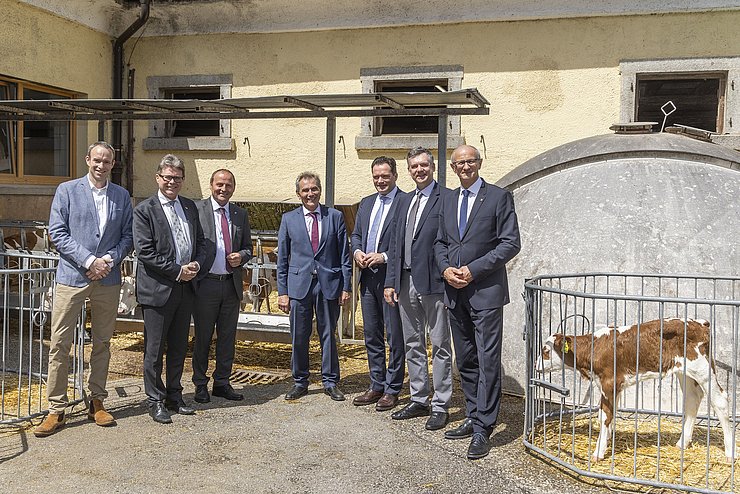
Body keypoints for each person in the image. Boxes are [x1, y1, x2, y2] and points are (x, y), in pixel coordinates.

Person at [34, 141, 133, 438]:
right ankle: (56, 409)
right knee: (60, 344)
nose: (101, 165)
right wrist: (89, 260)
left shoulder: (122, 195)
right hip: (72, 277)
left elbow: (128, 236)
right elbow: (58, 232)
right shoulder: (67, 190)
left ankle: (97, 401)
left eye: (107, 161)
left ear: (112, 164)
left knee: (102, 342)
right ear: (87, 160)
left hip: (108, 279)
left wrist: (108, 260)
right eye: (97, 160)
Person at [434, 144, 521, 460]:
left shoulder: (498, 197)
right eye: (459, 163)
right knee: (466, 358)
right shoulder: (448, 199)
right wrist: (445, 269)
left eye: (470, 161)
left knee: (487, 359)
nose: (465, 166)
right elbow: (440, 243)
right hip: (455, 292)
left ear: (479, 163)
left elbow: (511, 243)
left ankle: (484, 427)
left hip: (485, 292)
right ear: (453, 168)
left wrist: (473, 270)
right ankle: (472, 415)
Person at [133, 154, 206, 424]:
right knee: (154, 349)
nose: (172, 182)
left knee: (178, 347)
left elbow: (201, 242)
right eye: (167, 177)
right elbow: (145, 251)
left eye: (177, 178)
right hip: (158, 289)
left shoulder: (189, 206)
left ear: (183, 180)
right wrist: (177, 270)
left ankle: (175, 395)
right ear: (158, 178)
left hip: (186, 288)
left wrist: (196, 264)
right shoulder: (145, 209)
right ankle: (155, 400)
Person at [384, 147, 453, 431]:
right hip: (404, 280)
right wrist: (390, 281)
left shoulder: (446, 198)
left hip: (434, 282)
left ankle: (441, 404)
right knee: (412, 342)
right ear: (409, 170)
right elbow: (394, 244)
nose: (419, 170)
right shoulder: (404, 201)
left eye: (423, 165)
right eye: (414, 166)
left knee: (439, 345)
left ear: (432, 167)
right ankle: (418, 398)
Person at [277, 172, 351, 401]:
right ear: (298, 194)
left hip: (329, 284)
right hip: (299, 286)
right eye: (305, 190)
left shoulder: (335, 216)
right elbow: (283, 259)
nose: (310, 194)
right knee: (299, 335)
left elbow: (344, 255)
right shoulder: (289, 219)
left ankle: (330, 381)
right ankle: (300, 381)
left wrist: (346, 286)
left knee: (328, 334)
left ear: (320, 190)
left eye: (314, 189)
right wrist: (283, 292)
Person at [192, 169, 252, 404]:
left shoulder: (240, 214)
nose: (223, 189)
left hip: (230, 285)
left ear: (233, 188)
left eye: (228, 185)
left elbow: (248, 246)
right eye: (219, 184)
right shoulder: (197, 211)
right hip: (205, 285)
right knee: (203, 338)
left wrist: (242, 256)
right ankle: (199, 384)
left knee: (227, 337)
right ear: (211, 185)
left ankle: (222, 382)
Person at [350, 157, 405, 412]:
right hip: (367, 277)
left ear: (394, 175)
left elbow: (406, 244)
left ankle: (393, 389)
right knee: (372, 334)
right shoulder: (366, 202)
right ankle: (376, 384)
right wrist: (357, 251)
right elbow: (356, 234)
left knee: (394, 335)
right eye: (376, 177)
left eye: (385, 176)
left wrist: (383, 256)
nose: (380, 181)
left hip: (390, 277)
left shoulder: (404, 202)